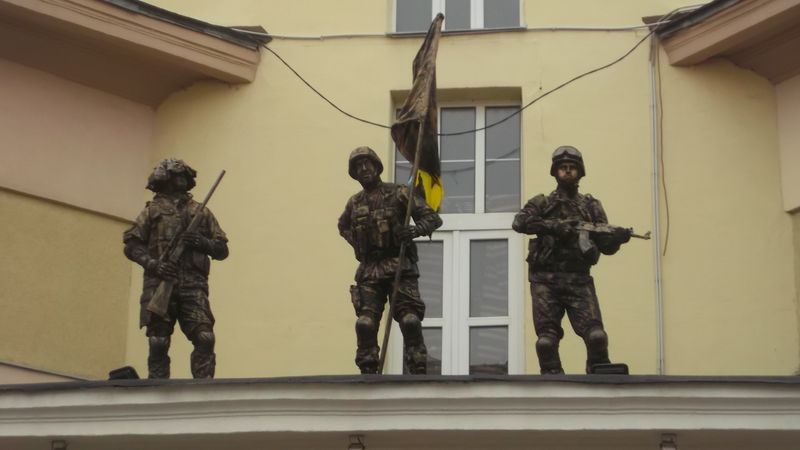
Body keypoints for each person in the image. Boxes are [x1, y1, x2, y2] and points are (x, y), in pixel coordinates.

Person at [512, 146, 631, 374]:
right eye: (563, 168)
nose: (567, 172)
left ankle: (599, 370)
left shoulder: (590, 206)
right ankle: (552, 377)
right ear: (555, 172)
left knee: (597, 336)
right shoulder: (542, 203)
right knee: (546, 342)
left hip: (578, 280)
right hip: (545, 281)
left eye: (572, 168)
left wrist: (618, 239)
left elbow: (605, 247)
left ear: (580, 172)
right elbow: (519, 223)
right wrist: (554, 227)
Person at [338, 146, 442, 374]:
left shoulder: (399, 193)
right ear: (354, 173)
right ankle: (368, 368)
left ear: (377, 167)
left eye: (368, 164)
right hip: (369, 270)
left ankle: (417, 365)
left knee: (410, 321)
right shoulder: (354, 203)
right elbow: (343, 226)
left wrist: (415, 231)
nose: (364, 169)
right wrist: (358, 244)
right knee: (364, 324)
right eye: (358, 166)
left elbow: (433, 219)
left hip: (399, 266)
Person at [123, 158, 228, 378]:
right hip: (159, 282)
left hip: (193, 285)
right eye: (176, 174)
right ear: (165, 179)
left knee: (205, 338)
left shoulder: (200, 212)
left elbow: (221, 249)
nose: (181, 179)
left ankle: (203, 392)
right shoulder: (152, 211)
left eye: (184, 175)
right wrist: (155, 265)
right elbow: (132, 246)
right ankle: (156, 390)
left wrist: (200, 242)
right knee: (158, 341)